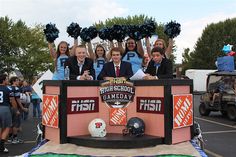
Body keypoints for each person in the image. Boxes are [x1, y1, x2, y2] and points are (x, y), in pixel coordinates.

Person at [8, 76, 28, 144]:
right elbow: (18, 100)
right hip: (15, 107)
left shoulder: (8, 87)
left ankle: (10, 137)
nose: (18, 82)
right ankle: (15, 138)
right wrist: (22, 108)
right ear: (13, 81)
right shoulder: (16, 88)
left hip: (9, 107)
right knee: (16, 124)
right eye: (17, 80)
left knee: (11, 123)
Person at [0, 74, 13, 153]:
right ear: (4, 80)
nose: (8, 81)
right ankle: (1, 146)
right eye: (7, 79)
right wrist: (14, 109)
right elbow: (12, 100)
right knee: (7, 127)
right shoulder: (8, 89)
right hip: (5, 108)